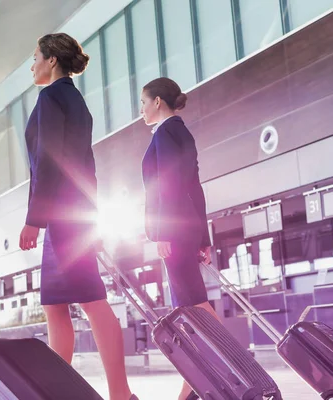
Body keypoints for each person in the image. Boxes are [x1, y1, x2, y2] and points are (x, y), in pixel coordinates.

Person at [19, 33, 138, 400]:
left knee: (89, 298)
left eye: (36, 56)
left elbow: (48, 162)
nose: (33, 63)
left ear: (52, 60)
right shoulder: (75, 100)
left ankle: (120, 393)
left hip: (63, 215)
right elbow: (86, 166)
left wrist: (33, 218)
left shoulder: (52, 97)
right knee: (55, 304)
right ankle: (60, 390)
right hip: (74, 213)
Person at [140, 77, 219, 400]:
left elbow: (168, 185)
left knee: (192, 308)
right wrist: (203, 237)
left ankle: (237, 360)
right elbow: (194, 189)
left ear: (158, 102)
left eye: (144, 102)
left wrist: (162, 231)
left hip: (174, 230)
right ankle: (189, 392)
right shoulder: (182, 132)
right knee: (188, 311)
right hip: (188, 229)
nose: (141, 110)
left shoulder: (166, 133)